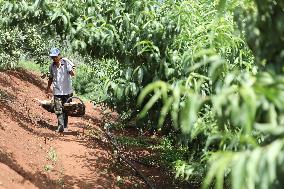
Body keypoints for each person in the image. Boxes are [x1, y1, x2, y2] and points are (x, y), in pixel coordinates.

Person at [46, 48, 75, 132]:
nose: (54, 59)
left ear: (59, 56)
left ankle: (65, 126)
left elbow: (72, 73)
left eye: (55, 57)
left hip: (67, 91)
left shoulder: (66, 63)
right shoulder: (51, 66)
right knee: (58, 109)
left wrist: (72, 70)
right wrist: (48, 88)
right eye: (52, 57)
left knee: (66, 109)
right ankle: (60, 126)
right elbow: (51, 78)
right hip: (57, 91)